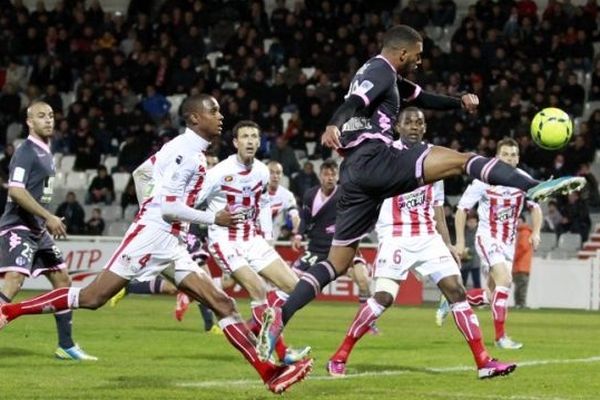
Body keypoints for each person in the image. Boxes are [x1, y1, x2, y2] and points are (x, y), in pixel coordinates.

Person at [257, 25, 585, 373]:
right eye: (418, 52)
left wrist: (458, 102)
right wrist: (332, 124)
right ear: (402, 53)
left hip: (355, 174)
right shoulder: (380, 69)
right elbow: (352, 104)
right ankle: (533, 186)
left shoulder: (387, 76)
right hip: (376, 159)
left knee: (336, 262)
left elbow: (423, 97)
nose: (421, 58)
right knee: (463, 160)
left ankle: (280, 315)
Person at [0, 95, 312, 394]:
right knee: (93, 297)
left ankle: (268, 372)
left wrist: (150, 205)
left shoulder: (184, 148)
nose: (221, 117)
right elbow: (169, 208)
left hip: (170, 239)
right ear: (194, 118)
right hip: (153, 236)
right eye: (214, 111)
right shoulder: (187, 154)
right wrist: (209, 218)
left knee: (223, 303)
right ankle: (11, 310)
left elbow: (142, 173)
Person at [327, 107, 513, 379]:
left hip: (428, 237)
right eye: (408, 122)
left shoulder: (432, 158)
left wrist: (449, 244)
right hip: (396, 236)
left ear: (424, 128)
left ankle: (483, 362)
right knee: (383, 298)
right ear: (397, 126)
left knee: (457, 291)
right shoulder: (384, 154)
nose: (414, 126)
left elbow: (438, 206)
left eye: (419, 123)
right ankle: (339, 356)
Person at [197, 120, 311, 366]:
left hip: (252, 238)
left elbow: (264, 204)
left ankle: (261, 330)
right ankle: (274, 349)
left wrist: (267, 237)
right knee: (259, 290)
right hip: (225, 240)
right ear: (236, 142)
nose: (249, 141)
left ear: (259, 142)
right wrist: (201, 221)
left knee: (296, 287)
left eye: (253, 137)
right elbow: (194, 200)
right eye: (244, 137)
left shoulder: (261, 171)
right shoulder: (219, 172)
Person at [0, 101, 96, 360]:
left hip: (37, 229)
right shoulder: (26, 151)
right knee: (14, 281)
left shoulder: (46, 151)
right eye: (41, 116)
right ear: (29, 122)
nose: (48, 120)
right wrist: (48, 216)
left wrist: (44, 220)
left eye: (51, 116)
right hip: (18, 226)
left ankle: (66, 345)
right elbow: (16, 190)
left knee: (63, 281)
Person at [437, 138, 543, 350]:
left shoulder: (523, 180)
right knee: (505, 280)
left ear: (518, 158)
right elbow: (461, 210)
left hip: (508, 243)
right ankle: (500, 338)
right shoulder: (483, 180)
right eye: (505, 154)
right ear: (497, 157)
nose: (510, 158)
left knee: (491, 295)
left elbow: (535, 206)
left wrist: (536, 232)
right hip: (487, 238)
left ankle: (452, 298)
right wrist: (459, 241)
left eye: (513, 155)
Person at [291, 159, 377, 332]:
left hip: (342, 247)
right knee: (290, 281)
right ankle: (276, 313)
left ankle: (366, 324)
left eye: (333, 174)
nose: (330, 178)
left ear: (338, 176)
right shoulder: (310, 195)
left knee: (363, 280)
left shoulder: (346, 193)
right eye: (326, 174)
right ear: (320, 176)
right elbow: (305, 218)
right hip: (316, 247)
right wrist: (299, 234)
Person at [266, 160, 301, 245]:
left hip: (269, 234)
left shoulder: (286, 195)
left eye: (278, 173)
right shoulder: (255, 191)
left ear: (282, 175)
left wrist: (295, 232)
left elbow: (295, 215)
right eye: (271, 172)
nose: (275, 176)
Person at [513, 215, 533, 308]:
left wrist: (514, 258)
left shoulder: (524, 232)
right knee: (521, 286)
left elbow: (522, 247)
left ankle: (520, 304)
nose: (517, 223)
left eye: (519, 221)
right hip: (522, 265)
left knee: (520, 286)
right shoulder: (524, 232)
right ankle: (520, 304)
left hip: (520, 264)